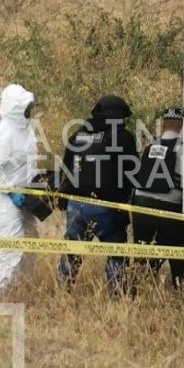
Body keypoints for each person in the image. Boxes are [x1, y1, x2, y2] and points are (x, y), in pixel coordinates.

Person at [57, 94, 139, 291]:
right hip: (107, 207)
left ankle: (62, 291)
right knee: (116, 254)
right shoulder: (122, 137)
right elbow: (134, 172)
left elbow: (65, 171)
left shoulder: (76, 136)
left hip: (75, 205)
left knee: (72, 252)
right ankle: (119, 297)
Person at [0, 84, 42, 295]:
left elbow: (28, 163)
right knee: (11, 246)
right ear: (16, 108)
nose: (29, 111)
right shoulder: (3, 134)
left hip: (23, 196)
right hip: (1, 199)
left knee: (30, 243)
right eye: (26, 107)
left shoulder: (27, 131)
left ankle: (21, 289)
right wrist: (10, 191)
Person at [131, 108, 184, 285]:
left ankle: (136, 291)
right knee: (178, 255)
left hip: (140, 206)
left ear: (164, 126)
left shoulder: (149, 147)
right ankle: (181, 291)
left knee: (143, 256)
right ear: (182, 127)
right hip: (169, 209)